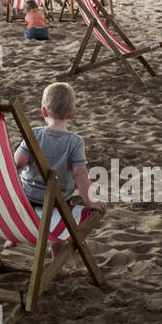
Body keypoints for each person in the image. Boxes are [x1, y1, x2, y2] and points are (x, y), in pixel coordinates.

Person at [8, 82, 105, 256]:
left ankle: (14, 235)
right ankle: (56, 262)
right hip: (55, 203)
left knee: (21, 193)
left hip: (26, 198)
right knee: (56, 226)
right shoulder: (75, 142)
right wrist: (90, 201)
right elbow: (80, 175)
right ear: (73, 113)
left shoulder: (34, 135)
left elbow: (17, 163)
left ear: (44, 111)